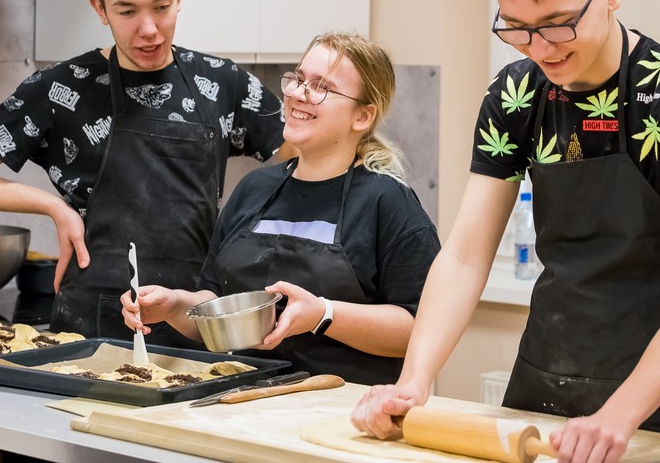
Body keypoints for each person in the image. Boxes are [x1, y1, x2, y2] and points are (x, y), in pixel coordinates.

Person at [351, 0, 660, 461]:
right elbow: (463, 257)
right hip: (546, 374)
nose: (540, 49)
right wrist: (414, 381)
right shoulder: (516, 94)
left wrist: (617, 416)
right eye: (517, 28)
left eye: (559, 24)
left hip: (656, 402)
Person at [0, 0, 292, 345]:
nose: (149, 29)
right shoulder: (61, 88)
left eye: (162, 6)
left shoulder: (222, 82)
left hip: (197, 321)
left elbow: (304, 155)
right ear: (100, 9)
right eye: (127, 11)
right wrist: (53, 207)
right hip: (91, 328)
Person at [120, 32, 441, 384]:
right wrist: (176, 305)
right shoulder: (254, 189)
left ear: (362, 116)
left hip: (339, 406)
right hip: (243, 397)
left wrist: (324, 314)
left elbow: (422, 329)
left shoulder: (388, 202)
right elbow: (218, 305)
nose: (298, 93)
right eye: (298, 79)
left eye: (322, 87)